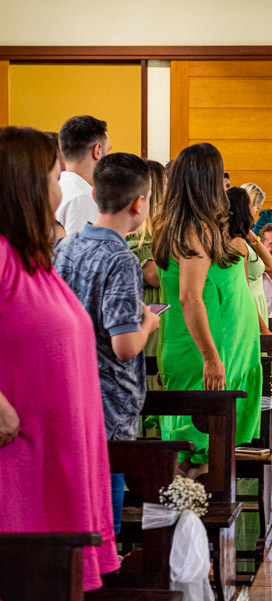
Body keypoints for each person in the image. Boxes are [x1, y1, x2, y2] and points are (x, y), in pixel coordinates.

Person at [0, 126, 120, 591]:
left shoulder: (32, 258)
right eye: (54, 178)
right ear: (25, 186)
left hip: (57, 456)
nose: (61, 188)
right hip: (20, 464)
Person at [54, 152, 160, 534]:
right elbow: (125, 345)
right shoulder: (120, 257)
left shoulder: (68, 245)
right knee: (106, 501)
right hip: (109, 402)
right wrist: (148, 322)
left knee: (77, 501)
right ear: (139, 202)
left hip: (70, 388)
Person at [152, 142, 262, 472]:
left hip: (207, 341)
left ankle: (192, 517)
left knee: (202, 447)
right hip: (201, 347)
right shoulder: (193, 230)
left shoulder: (184, 223)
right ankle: (188, 519)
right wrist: (211, 356)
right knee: (195, 448)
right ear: (207, 181)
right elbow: (189, 297)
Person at [126, 159, 166, 358]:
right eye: (166, 183)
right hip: (148, 308)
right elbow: (155, 277)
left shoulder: (162, 228)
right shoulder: (139, 232)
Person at [227, 186, 272, 333]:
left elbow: (271, 265)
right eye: (253, 205)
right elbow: (244, 291)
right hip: (250, 310)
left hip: (257, 306)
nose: (256, 210)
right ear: (242, 209)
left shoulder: (244, 239)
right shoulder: (237, 243)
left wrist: (252, 237)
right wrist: (265, 331)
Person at [55, 115, 111, 236]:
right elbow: (82, 253)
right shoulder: (82, 199)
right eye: (108, 152)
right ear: (97, 151)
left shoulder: (57, 190)